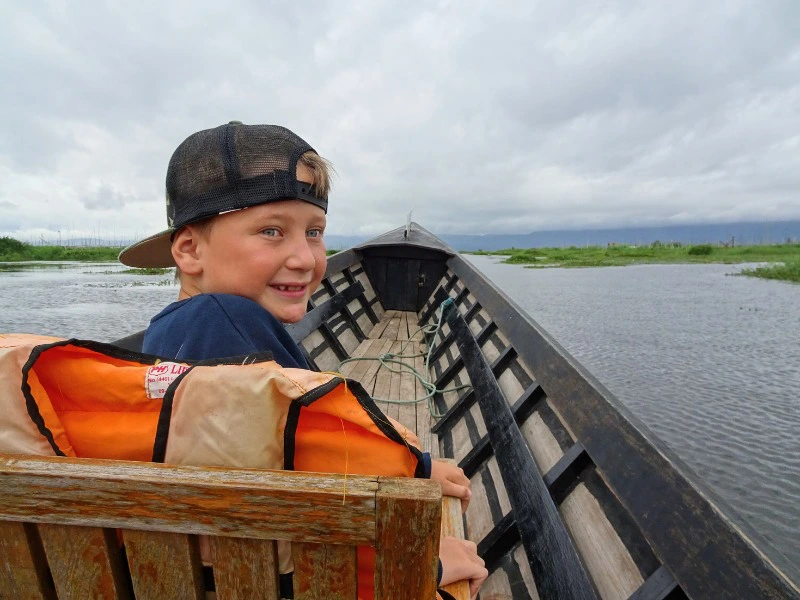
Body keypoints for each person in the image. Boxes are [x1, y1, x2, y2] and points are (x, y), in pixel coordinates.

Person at [119, 122, 487, 598]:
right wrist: (418, 556)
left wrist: (415, 468)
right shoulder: (221, 322)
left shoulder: (177, 327)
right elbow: (283, 505)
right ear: (189, 249)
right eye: (271, 231)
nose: (305, 258)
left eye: (314, 232)